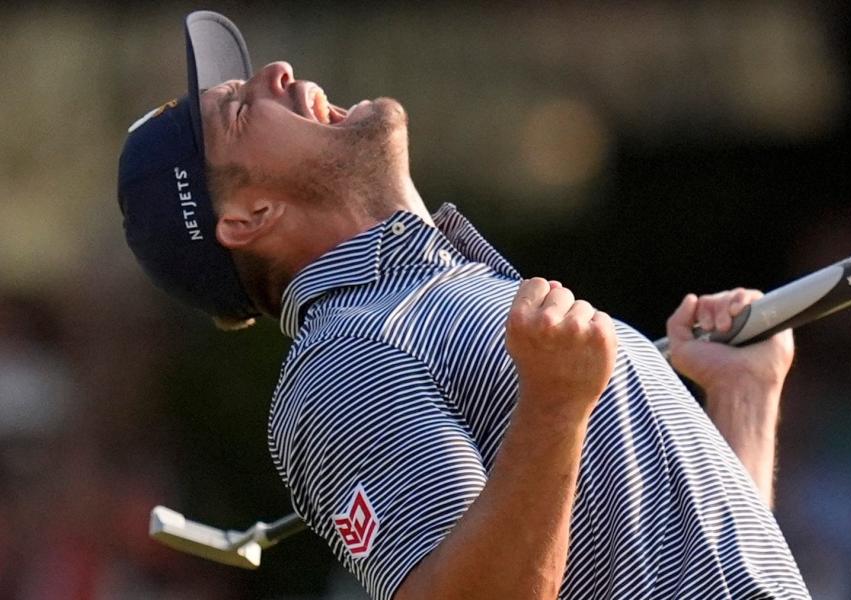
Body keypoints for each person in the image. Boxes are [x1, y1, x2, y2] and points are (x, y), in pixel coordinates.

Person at [118, 11, 809, 600]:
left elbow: (692, 566)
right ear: (248, 217)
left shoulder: (457, 299)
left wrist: (742, 397)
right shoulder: (344, 358)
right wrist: (553, 407)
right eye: (240, 111)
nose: (278, 72)